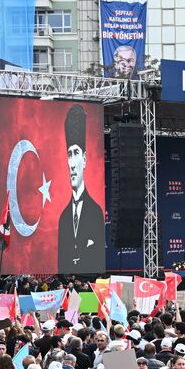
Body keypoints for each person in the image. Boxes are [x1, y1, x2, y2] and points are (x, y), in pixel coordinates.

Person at [57, 104, 105, 274]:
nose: (72, 163)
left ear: (84, 159)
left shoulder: (96, 212)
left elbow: (97, 257)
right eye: (69, 154)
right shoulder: (63, 218)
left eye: (76, 153)